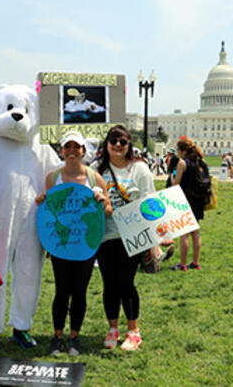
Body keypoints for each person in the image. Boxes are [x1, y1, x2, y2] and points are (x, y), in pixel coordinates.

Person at [94, 125, 173, 351]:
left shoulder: (139, 169)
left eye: (123, 142)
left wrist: (160, 233)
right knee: (109, 284)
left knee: (126, 283)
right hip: (106, 235)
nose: (117, 145)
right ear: (107, 144)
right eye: (113, 141)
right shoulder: (98, 170)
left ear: (129, 145)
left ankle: (133, 331)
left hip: (133, 235)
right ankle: (112, 329)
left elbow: (151, 202)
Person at [35, 131, 112, 357]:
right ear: (61, 151)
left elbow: (107, 211)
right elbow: (49, 207)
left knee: (79, 291)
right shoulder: (52, 178)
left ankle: (74, 337)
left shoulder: (94, 178)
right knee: (61, 290)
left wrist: (102, 202)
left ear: (83, 151)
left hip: (85, 243)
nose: (71, 151)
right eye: (67, 147)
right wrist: (41, 199)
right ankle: (57, 336)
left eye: (76, 147)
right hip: (61, 243)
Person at [170, 138, 205, 272]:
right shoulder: (200, 162)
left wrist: (171, 178)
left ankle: (182, 264)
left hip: (184, 200)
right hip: (198, 200)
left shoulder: (182, 163)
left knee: (184, 233)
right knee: (196, 232)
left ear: (183, 151)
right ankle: (195, 262)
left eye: (179, 150)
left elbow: (176, 183)